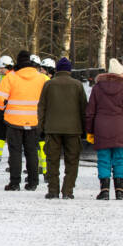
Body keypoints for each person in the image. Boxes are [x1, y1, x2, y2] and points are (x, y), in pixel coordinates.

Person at [86, 59, 123, 200]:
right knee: (120, 159)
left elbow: (90, 112)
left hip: (101, 128)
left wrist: (89, 131)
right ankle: (119, 190)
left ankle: (104, 190)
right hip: (121, 128)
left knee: (103, 159)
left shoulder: (97, 88)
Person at [0, 50, 47, 191]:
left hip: (13, 121)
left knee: (15, 152)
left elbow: (0, 99)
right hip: (34, 121)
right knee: (32, 152)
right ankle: (33, 182)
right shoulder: (42, 78)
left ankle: (14, 183)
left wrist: (3, 109)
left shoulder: (10, 78)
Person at [37, 57, 87, 199]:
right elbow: (84, 108)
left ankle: (53, 190)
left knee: (52, 160)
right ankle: (68, 190)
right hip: (73, 129)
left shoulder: (49, 84)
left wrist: (41, 127)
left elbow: (41, 107)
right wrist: (84, 128)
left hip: (52, 129)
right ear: (69, 70)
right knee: (72, 161)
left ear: (57, 70)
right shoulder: (77, 85)